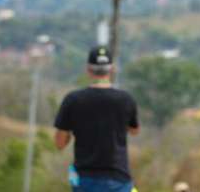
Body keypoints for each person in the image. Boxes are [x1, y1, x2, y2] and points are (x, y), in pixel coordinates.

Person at [54, 46, 140, 192]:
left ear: (88, 69)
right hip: (118, 177)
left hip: (85, 179)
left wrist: (70, 134)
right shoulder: (126, 99)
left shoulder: (73, 100)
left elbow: (59, 143)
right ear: (112, 69)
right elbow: (134, 131)